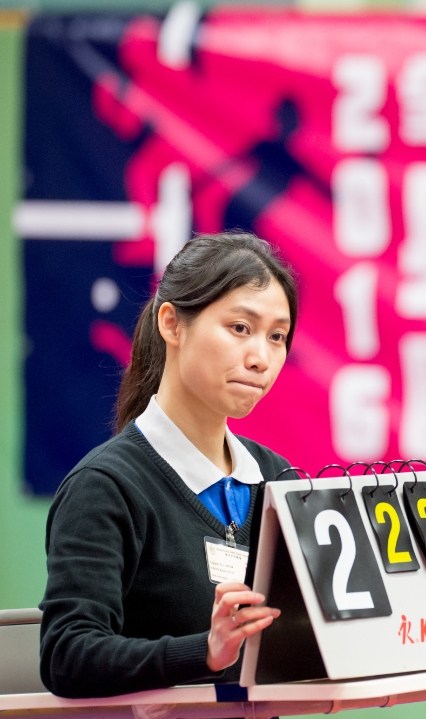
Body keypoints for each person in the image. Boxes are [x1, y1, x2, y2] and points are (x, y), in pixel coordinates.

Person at [39, 232, 296, 698]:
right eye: (240, 328)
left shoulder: (278, 478)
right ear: (172, 324)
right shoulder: (107, 486)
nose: (261, 358)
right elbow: (66, 655)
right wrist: (204, 650)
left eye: (277, 337)